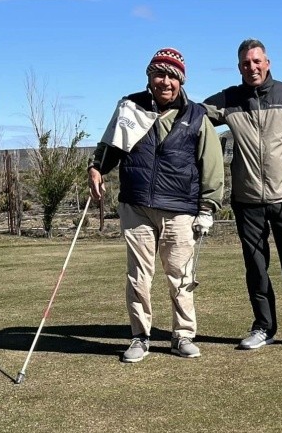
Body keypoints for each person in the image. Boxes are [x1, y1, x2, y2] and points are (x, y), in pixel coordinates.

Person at [88, 47, 224, 363]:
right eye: (158, 74)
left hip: (180, 208)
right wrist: (96, 167)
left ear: (181, 80)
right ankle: (140, 337)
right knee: (138, 275)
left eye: (172, 76)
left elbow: (212, 165)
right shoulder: (130, 107)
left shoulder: (197, 116)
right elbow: (110, 146)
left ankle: (183, 336)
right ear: (149, 77)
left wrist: (208, 208)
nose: (165, 82)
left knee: (180, 275)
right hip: (136, 206)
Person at [202, 38, 282, 351]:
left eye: (257, 61)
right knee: (256, 266)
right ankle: (263, 327)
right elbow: (194, 117)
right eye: (246, 63)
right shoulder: (228, 99)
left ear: (267, 63)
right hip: (246, 201)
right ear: (239, 67)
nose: (252, 67)